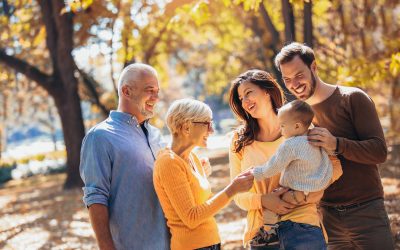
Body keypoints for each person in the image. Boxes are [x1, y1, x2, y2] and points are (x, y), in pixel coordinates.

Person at [275, 42, 395, 249]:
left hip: (366, 212)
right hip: (327, 218)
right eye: (287, 79)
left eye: (299, 75)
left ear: (313, 67)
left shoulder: (352, 98)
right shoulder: (294, 116)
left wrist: (337, 144)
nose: (294, 84)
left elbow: (379, 151)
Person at [228, 69, 342, 249]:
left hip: (303, 227)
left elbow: (334, 166)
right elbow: (237, 194)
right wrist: (264, 200)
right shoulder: (239, 140)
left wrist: (310, 192)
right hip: (262, 234)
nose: (245, 101)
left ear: (267, 91)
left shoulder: (300, 125)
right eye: (241, 98)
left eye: (249, 93)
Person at [79, 63, 170, 249]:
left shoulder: (156, 135)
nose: (156, 97)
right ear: (126, 91)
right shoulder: (99, 137)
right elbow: (96, 198)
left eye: (157, 91)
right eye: (149, 90)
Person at [153, 98, 254, 250]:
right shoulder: (169, 162)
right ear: (186, 127)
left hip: (210, 242)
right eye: (207, 124)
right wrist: (233, 189)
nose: (212, 130)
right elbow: (191, 218)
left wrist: (201, 178)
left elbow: (201, 202)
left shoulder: (191, 157)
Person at [252, 100, 333, 227]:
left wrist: (256, 173)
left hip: (296, 190)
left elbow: (274, 166)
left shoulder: (290, 145)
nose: (280, 129)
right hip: (315, 187)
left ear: (297, 126)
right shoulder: (315, 139)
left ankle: (269, 230)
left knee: (273, 208)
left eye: (283, 125)